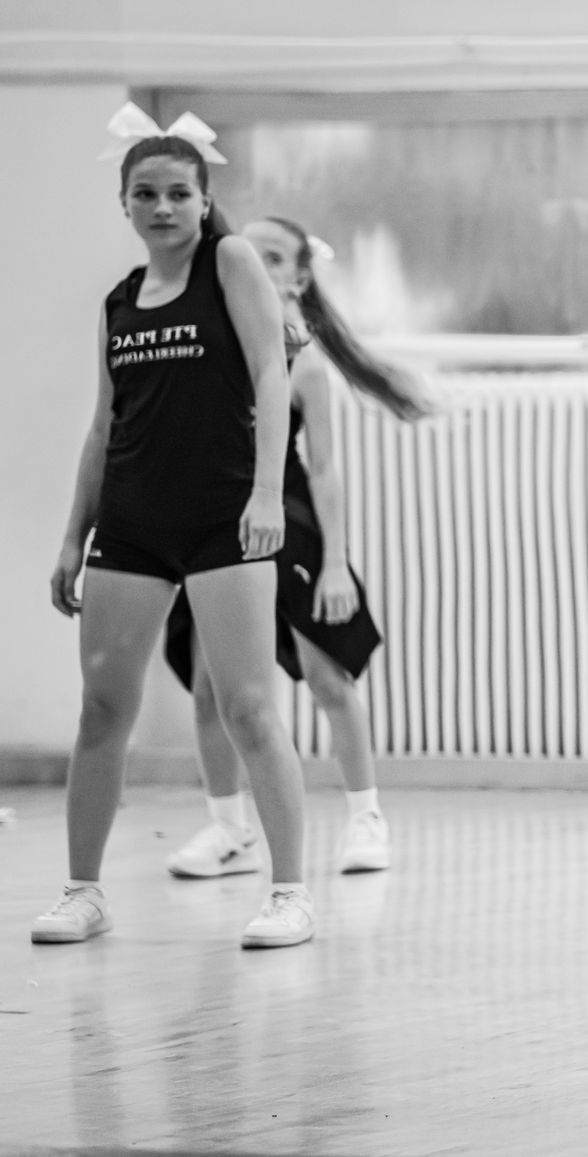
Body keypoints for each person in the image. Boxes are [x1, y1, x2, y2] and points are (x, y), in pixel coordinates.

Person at [34, 107, 315, 949]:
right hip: (131, 526)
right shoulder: (119, 301)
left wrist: (267, 494)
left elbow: (271, 374)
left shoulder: (229, 263)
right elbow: (102, 427)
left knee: (248, 707)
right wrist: (73, 537)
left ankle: (290, 893)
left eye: (179, 193)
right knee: (101, 710)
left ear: (204, 201)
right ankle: (84, 891)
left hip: (225, 518)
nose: (163, 207)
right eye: (147, 194)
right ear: (124, 203)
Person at [160, 215, 425, 880]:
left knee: (329, 677)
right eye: (248, 253)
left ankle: (365, 815)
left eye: (274, 256)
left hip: (291, 521)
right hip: (217, 529)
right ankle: (229, 829)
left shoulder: (304, 364)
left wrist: (334, 564)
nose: (257, 264)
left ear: (301, 277)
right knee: (209, 687)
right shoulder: (209, 344)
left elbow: (325, 470)